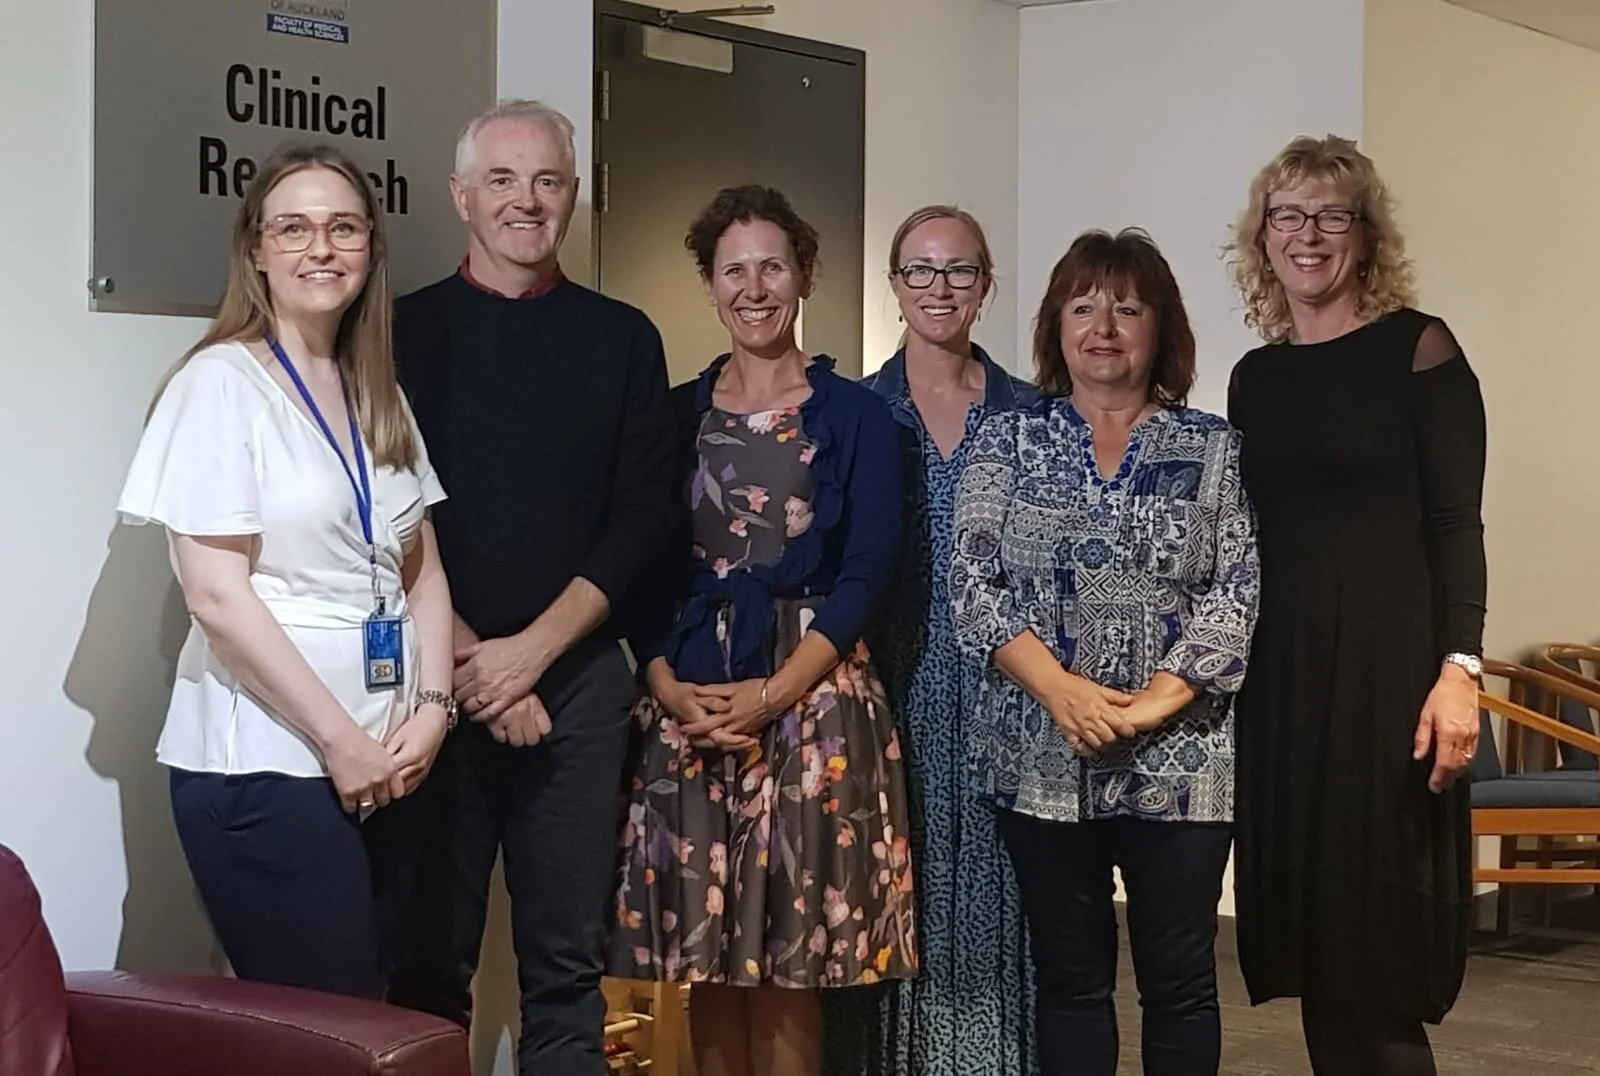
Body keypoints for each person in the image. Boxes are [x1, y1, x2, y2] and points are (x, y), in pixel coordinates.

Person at [115, 143, 455, 999]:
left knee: (384, 1019)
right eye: (294, 227)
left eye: (343, 227)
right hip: (269, 763)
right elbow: (218, 599)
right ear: (256, 250)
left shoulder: (372, 385)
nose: (321, 247)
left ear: (372, 247)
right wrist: (342, 744)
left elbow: (421, 570)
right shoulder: (217, 386)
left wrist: (434, 709)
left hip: (391, 760)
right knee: (326, 1031)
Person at [384, 100, 678, 1075]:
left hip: (579, 685)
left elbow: (640, 520)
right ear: (461, 195)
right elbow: (380, 511)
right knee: (425, 967)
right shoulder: (397, 332)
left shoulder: (624, 337)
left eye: (547, 179)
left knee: (567, 968)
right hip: (435, 679)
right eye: (502, 180)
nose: (526, 200)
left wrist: (530, 655)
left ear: (574, 196)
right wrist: (472, 658)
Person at [607, 184, 918, 1076]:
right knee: (705, 965)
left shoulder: (858, 416)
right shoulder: (673, 417)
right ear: (709, 284)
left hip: (814, 710)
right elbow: (646, 566)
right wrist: (665, 683)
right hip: (691, 709)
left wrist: (776, 693)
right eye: (733, 268)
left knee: (789, 969)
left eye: (772, 265)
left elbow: (868, 572)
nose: (754, 286)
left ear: (805, 276)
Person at [950, 228, 1260, 1076]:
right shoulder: (1005, 440)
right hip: (1041, 754)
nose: (1105, 328)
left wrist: (1155, 702)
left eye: (1128, 309)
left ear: (1162, 329)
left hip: (1184, 760)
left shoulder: (1214, 447)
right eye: (1083, 308)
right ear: (1055, 327)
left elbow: (1237, 590)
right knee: (1072, 980)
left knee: (1181, 981)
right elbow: (972, 585)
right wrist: (1063, 694)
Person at [1225, 134, 1486, 1076]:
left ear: (1365, 235)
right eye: (1287, 215)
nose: (1308, 235)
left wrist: (1461, 671)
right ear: (1261, 237)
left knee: (1376, 970)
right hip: (1286, 691)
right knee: (1318, 961)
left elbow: (1459, 525)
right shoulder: (1256, 378)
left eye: (1332, 215)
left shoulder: (1420, 348)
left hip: (1388, 687)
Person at [836, 205, 1037, 1076]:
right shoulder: (854, 412)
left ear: (985, 286)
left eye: (959, 271)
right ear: (894, 284)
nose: (939, 288)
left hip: (1008, 704)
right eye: (920, 269)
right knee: (890, 902)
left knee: (1002, 907)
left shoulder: (1034, 416)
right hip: (889, 693)